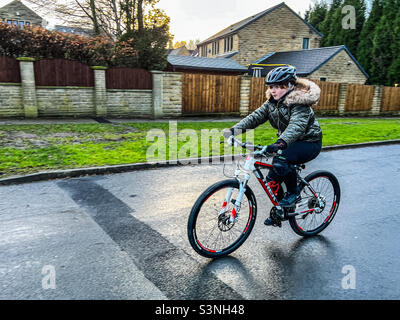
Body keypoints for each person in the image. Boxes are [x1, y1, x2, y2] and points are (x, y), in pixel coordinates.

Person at [223, 66, 323, 226]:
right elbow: (256, 117)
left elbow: (296, 127)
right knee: (271, 180)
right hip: (287, 142)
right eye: (271, 86)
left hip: (309, 142)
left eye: (278, 86)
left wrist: (279, 144)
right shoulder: (271, 103)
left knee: (282, 158)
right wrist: (233, 131)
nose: (273, 90)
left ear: (290, 85)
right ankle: (281, 210)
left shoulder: (300, 103)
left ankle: (292, 194)